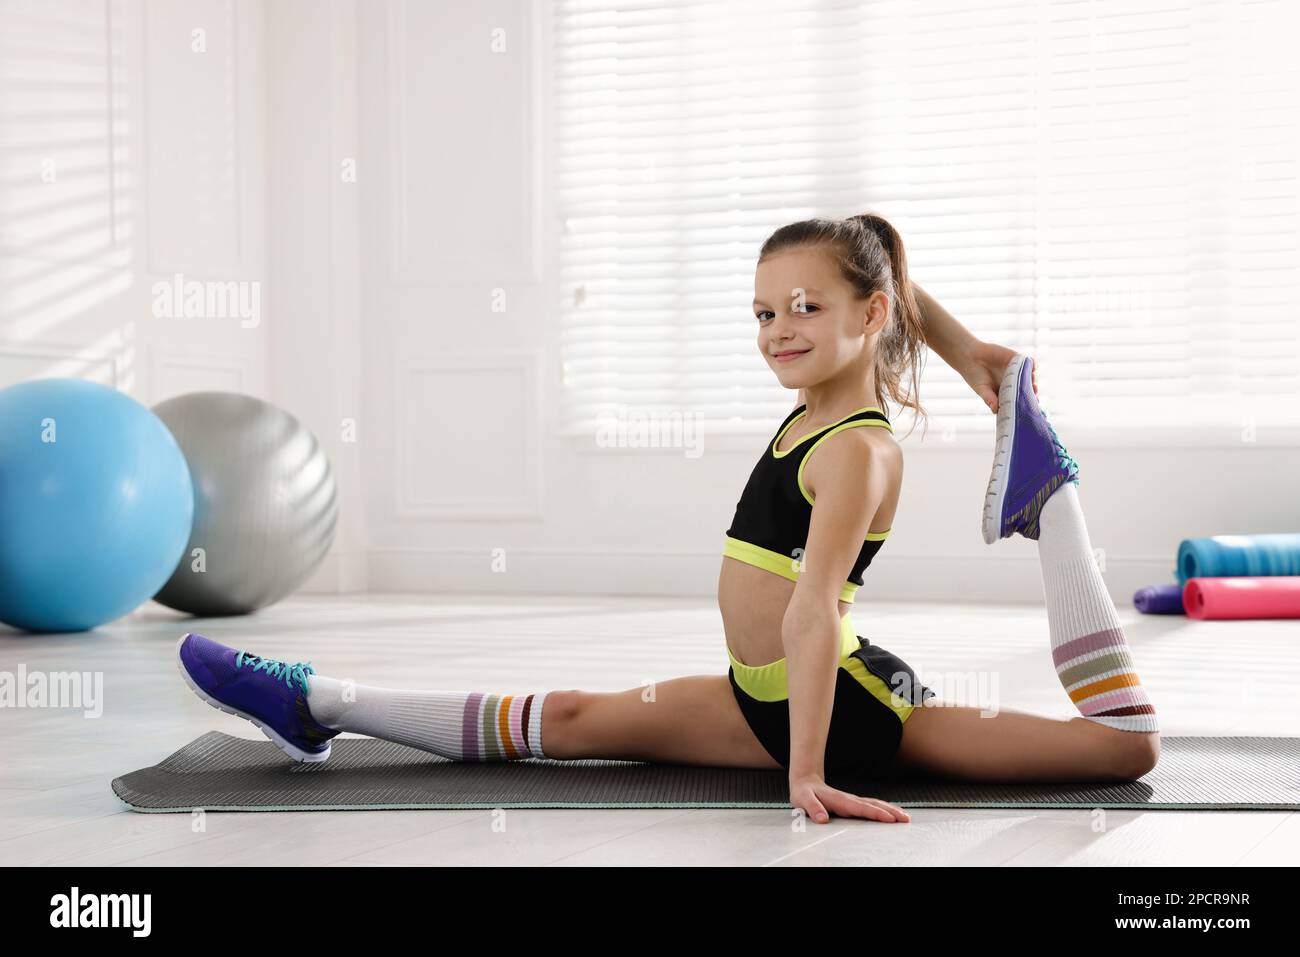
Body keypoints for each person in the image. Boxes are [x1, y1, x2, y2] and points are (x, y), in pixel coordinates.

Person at [176, 212, 1160, 826]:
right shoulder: (819, 399)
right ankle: (316, 703)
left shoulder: (859, 448)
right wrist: (973, 354)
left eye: (803, 309)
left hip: (855, 718)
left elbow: (815, 612)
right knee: (565, 719)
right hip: (755, 696)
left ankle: (1050, 498)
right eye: (763, 312)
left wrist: (807, 774)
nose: (777, 330)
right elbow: (884, 277)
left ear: (864, 317)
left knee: (1122, 751)